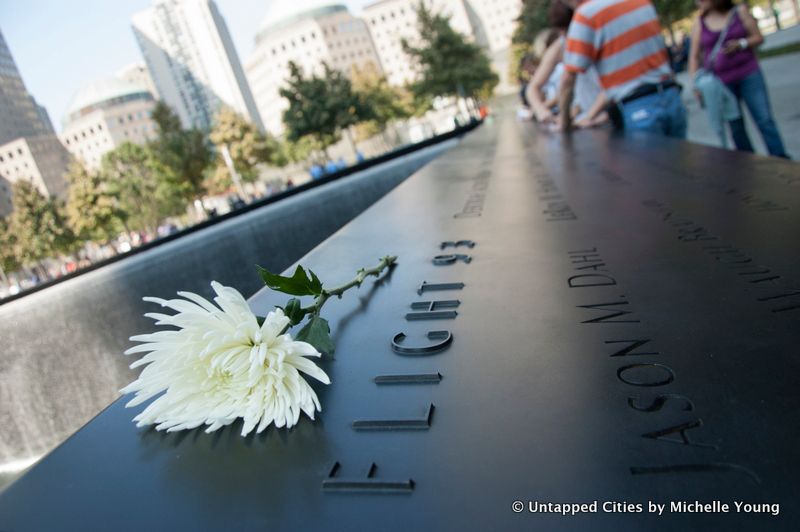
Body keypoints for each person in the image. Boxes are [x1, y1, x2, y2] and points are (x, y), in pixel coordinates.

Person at [557, 0, 686, 137]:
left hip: (637, 106)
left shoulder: (586, 14)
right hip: (671, 96)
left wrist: (564, 123)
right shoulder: (641, 2)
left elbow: (569, 78)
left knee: (647, 159)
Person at [688, 0, 788, 158]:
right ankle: (748, 166)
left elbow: (758, 38)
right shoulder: (700, 23)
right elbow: (693, 57)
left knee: (764, 120)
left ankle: (781, 159)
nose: (698, 2)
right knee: (736, 128)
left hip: (749, 74)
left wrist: (741, 44)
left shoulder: (739, 11)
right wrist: (696, 84)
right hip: (721, 82)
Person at [527, 4, 608, 128]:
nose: (567, 36)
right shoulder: (559, 47)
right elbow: (533, 88)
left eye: (568, 29)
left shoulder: (599, 34)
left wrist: (588, 117)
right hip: (591, 117)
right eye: (562, 31)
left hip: (609, 113)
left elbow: (613, 86)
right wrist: (541, 111)